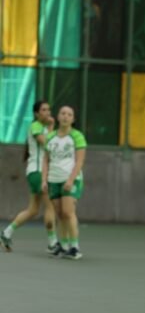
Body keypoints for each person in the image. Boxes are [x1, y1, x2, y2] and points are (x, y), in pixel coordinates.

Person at [1, 101, 58, 254]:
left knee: (33, 210)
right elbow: (48, 144)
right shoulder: (35, 126)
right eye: (44, 110)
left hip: (35, 173)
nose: (47, 112)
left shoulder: (44, 128)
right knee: (50, 207)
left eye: (49, 109)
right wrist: (52, 127)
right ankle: (53, 244)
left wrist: (51, 128)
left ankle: (6, 233)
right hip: (38, 172)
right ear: (36, 113)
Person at [42, 106, 87, 260]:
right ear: (58, 116)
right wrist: (44, 180)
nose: (66, 116)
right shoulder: (50, 137)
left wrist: (70, 180)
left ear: (73, 119)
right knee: (60, 214)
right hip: (53, 179)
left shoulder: (77, 136)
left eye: (69, 114)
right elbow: (45, 160)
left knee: (68, 212)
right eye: (63, 113)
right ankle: (65, 245)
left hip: (70, 179)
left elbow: (80, 161)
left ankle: (75, 247)